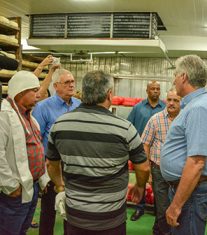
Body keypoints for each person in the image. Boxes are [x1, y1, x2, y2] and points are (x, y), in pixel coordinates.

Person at [46, 70, 150, 235]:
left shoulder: (60, 125)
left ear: (84, 93)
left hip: (75, 216)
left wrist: (60, 185)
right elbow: (143, 168)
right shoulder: (124, 128)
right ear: (109, 94)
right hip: (110, 219)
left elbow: (51, 164)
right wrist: (139, 186)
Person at [160, 54, 207, 235]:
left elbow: (196, 163)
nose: (174, 80)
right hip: (188, 190)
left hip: (192, 194)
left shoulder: (199, 108)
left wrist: (176, 205)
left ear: (184, 77)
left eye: (175, 75)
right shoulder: (194, 105)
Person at [0, 71, 50, 235]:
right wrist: (11, 186)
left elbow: (36, 148)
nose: (38, 95)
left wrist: (43, 178)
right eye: (34, 91)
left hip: (31, 186)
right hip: (14, 191)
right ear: (21, 91)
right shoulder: (4, 117)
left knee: (22, 229)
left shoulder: (30, 117)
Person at [32, 68, 81, 235]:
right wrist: (41, 174)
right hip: (51, 165)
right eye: (66, 82)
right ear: (55, 86)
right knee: (48, 210)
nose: (71, 85)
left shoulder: (79, 105)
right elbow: (36, 141)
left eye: (72, 81)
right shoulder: (43, 107)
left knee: (73, 210)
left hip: (74, 166)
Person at [142, 88, 181, 235]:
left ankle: (160, 230)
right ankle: (163, 231)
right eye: (169, 100)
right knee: (162, 206)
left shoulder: (185, 119)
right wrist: (148, 171)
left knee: (177, 207)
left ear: (181, 102)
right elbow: (145, 143)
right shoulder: (156, 119)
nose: (171, 103)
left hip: (179, 173)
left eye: (175, 100)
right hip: (158, 170)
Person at [128, 80, 166, 221]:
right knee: (141, 179)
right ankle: (140, 208)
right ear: (147, 90)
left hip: (159, 152)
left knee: (159, 181)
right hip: (141, 150)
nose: (155, 91)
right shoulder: (138, 108)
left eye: (158, 89)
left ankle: (159, 208)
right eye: (152, 88)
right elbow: (129, 125)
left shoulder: (165, 108)